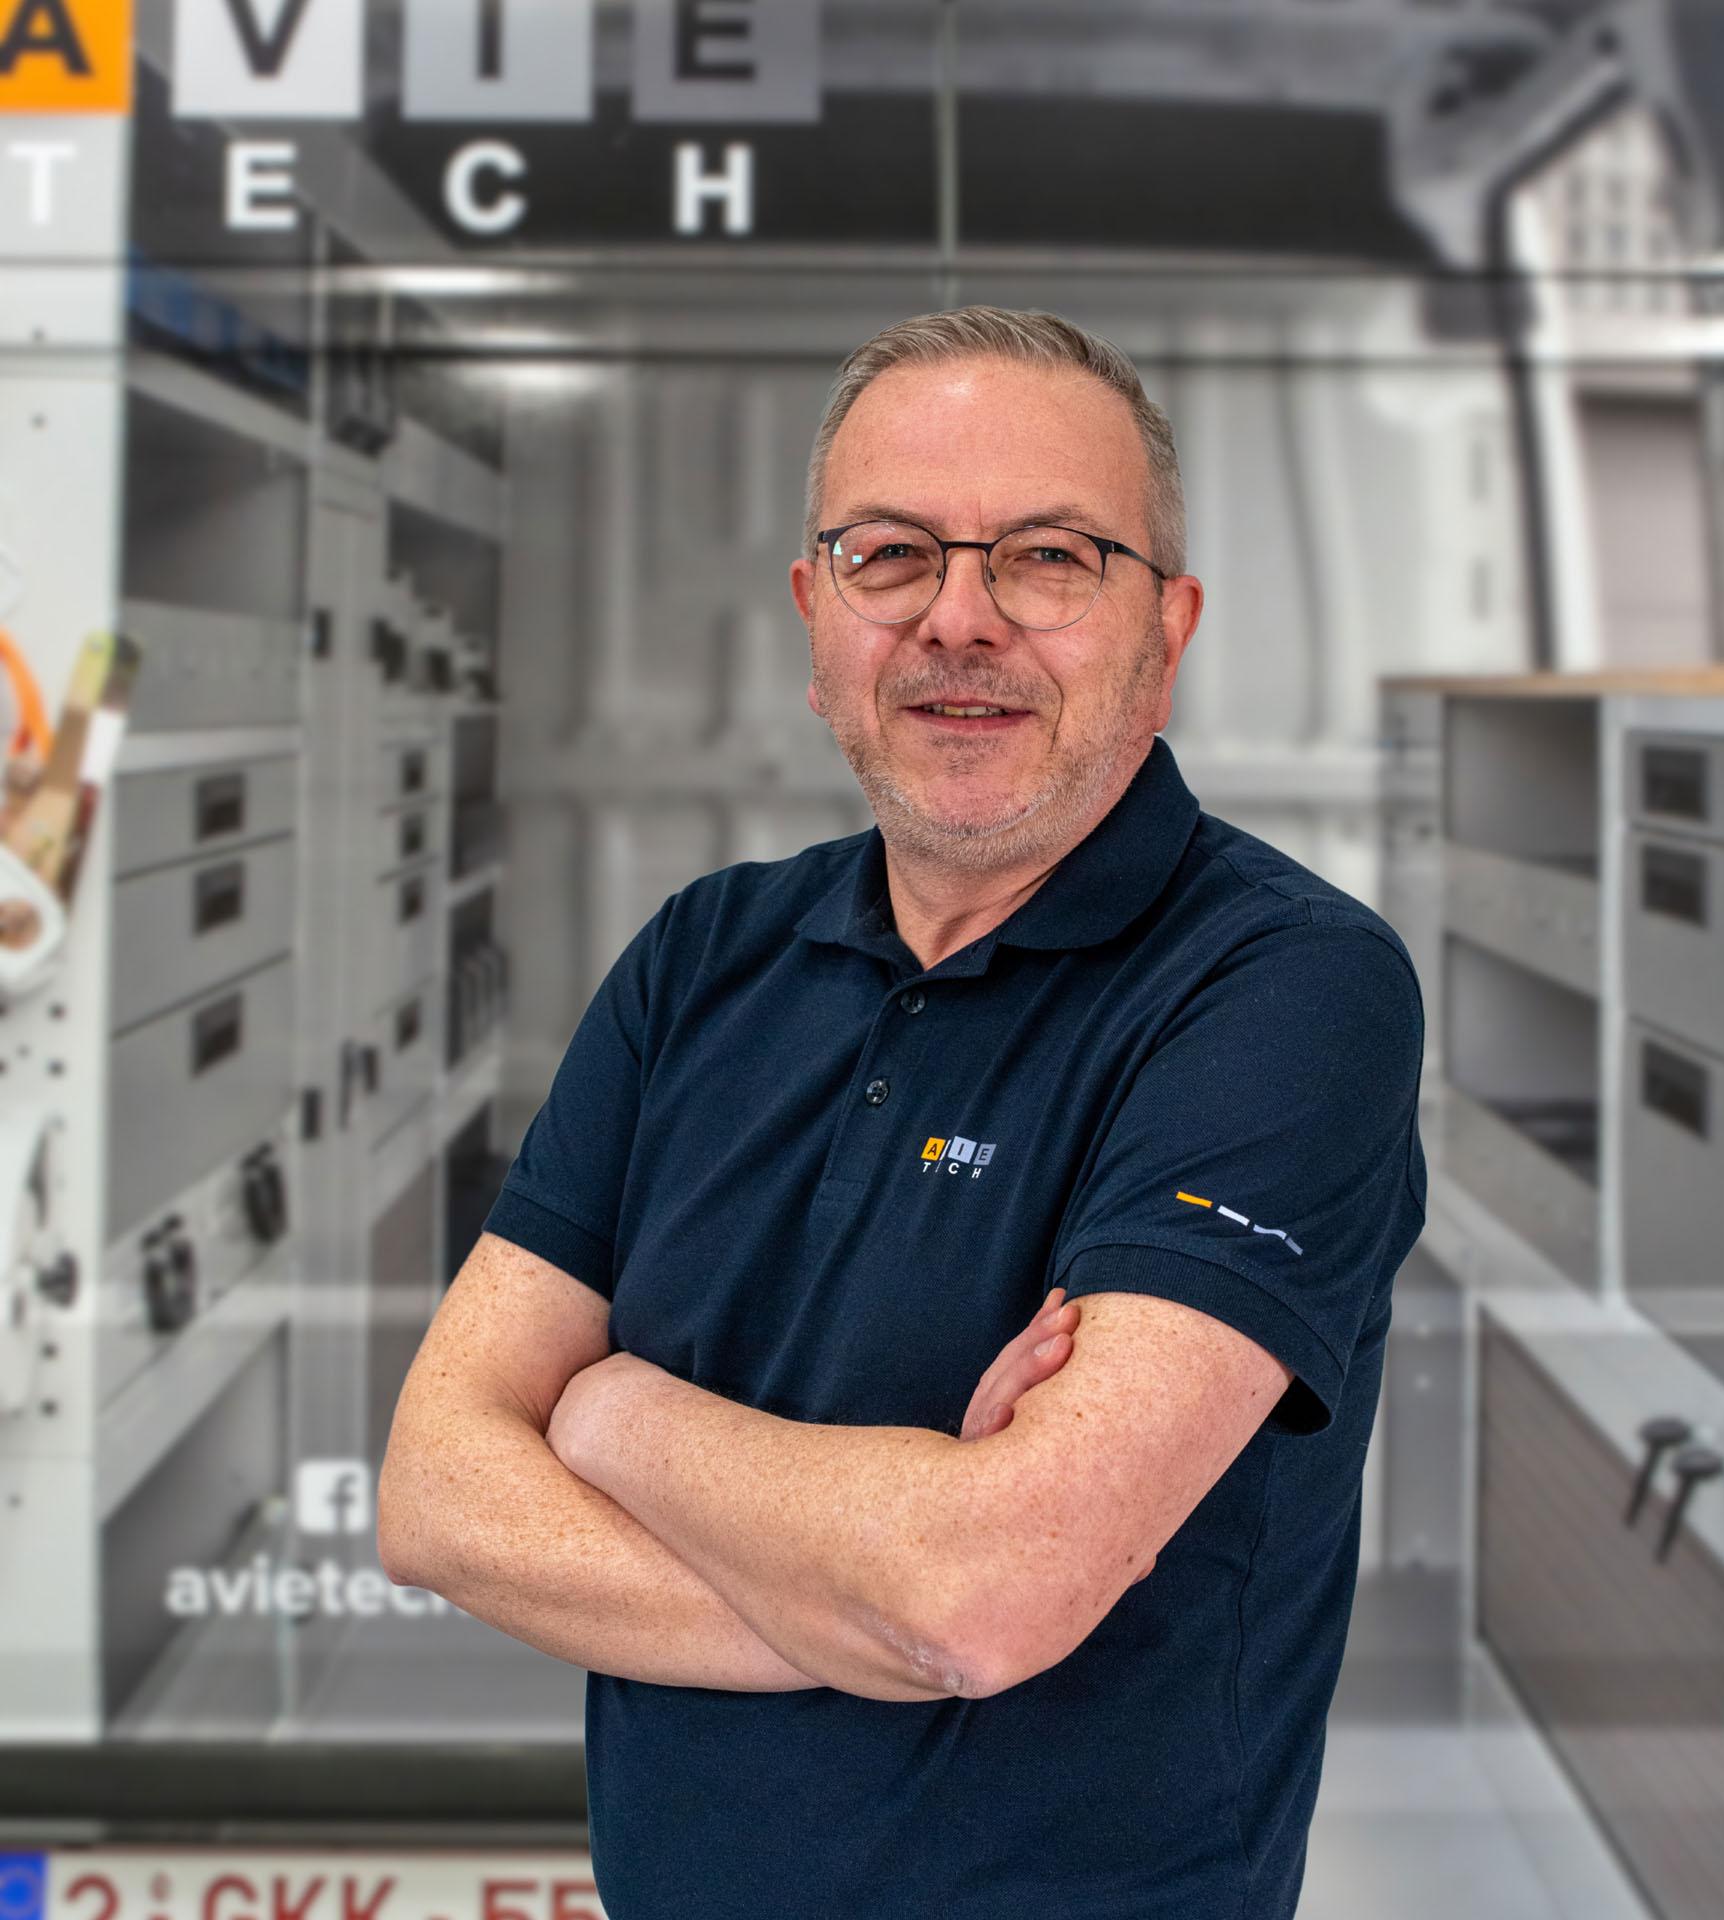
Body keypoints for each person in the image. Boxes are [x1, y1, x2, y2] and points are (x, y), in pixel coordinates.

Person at [377, 305, 1427, 1919]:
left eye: (1051, 558)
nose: (959, 619)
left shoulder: (1285, 989)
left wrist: (608, 1417)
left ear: (1168, 629)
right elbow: (437, 1496)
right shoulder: (700, 960)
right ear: (817, 621)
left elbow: (982, 1596)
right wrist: (881, 1599)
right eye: (890, 557)